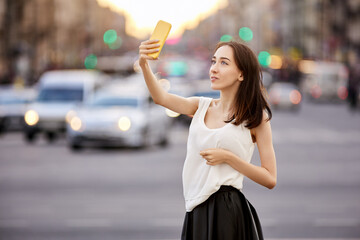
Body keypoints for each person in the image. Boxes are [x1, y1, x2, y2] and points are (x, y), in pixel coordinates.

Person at [138, 39, 277, 240]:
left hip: (227, 209)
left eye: (224, 63)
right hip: (195, 208)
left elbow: (270, 178)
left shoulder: (256, 117)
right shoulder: (200, 106)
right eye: (214, 61)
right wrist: (143, 63)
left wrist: (229, 158)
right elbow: (161, 98)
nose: (214, 69)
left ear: (242, 74)